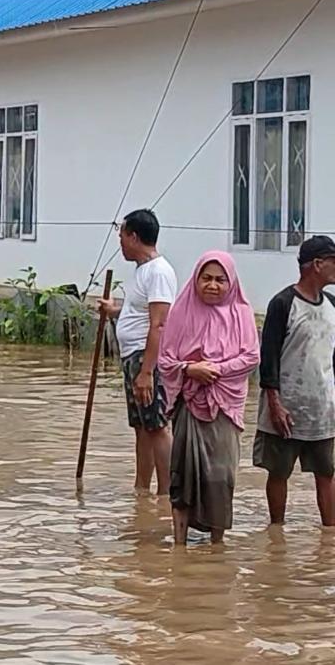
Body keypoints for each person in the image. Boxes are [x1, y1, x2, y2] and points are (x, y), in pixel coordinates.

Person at [158, 251, 259, 544]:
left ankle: (217, 543)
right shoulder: (181, 311)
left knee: (221, 476)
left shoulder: (241, 313)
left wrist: (216, 370)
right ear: (196, 279)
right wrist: (190, 369)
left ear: (231, 283)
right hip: (189, 403)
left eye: (219, 280)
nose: (212, 285)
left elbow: (251, 357)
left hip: (225, 406)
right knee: (182, 474)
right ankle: (179, 544)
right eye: (206, 278)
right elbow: (165, 359)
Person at [254, 235, 335, 526]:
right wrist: (275, 404)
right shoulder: (283, 303)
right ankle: (276, 531)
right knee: (279, 472)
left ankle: (329, 535)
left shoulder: (332, 305)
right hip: (285, 410)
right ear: (317, 264)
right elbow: (268, 359)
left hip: (322, 410)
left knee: (327, 473)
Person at [98, 208, 177, 495]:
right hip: (133, 356)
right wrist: (114, 311)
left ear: (133, 237)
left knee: (156, 425)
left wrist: (146, 372)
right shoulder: (142, 271)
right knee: (142, 426)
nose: (119, 242)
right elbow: (139, 312)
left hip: (146, 358)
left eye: (121, 236)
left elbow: (159, 324)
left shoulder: (159, 272)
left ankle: (167, 494)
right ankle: (142, 490)